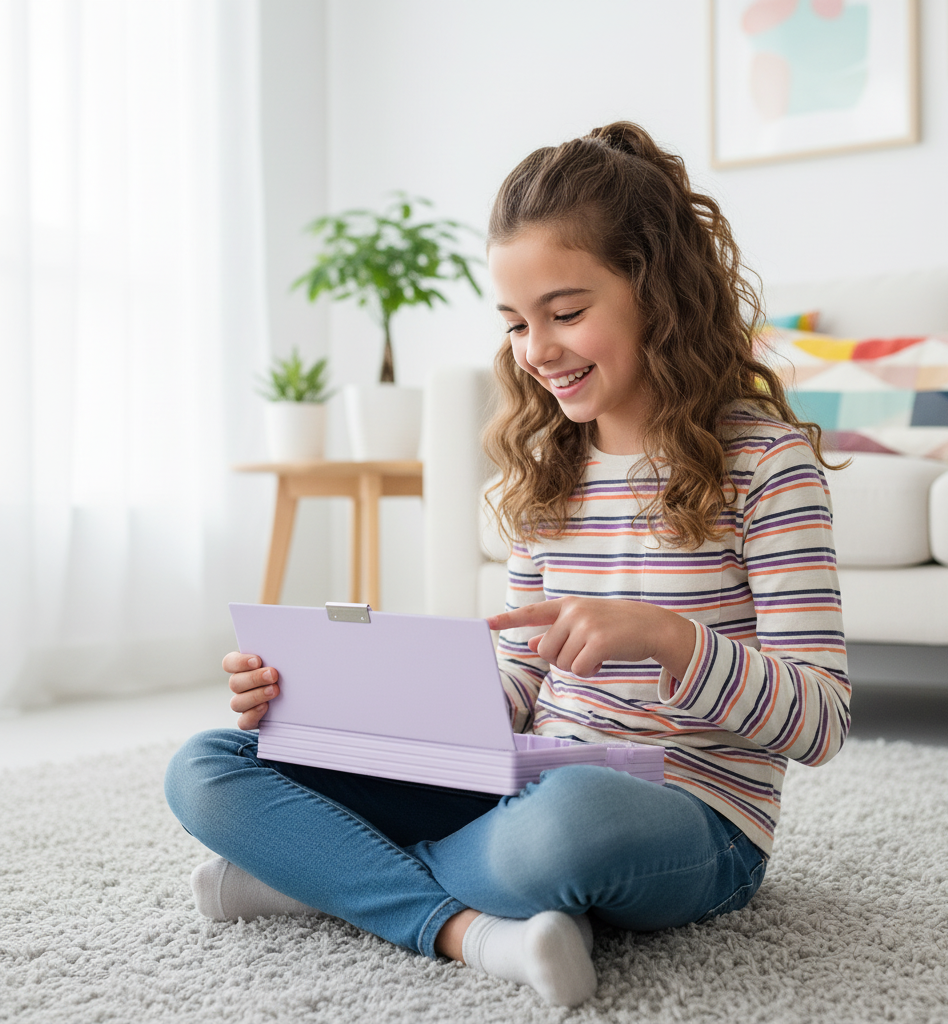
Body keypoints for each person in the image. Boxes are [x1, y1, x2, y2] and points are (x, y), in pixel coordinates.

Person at [164, 122, 850, 1008]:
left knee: (566, 827)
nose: (537, 350)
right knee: (210, 765)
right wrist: (344, 704)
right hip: (521, 779)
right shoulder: (545, 467)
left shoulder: (768, 465)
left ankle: (316, 876)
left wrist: (669, 640)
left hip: (689, 814)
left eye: (566, 313)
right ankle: (472, 930)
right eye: (517, 323)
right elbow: (520, 686)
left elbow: (821, 721)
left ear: (658, 291)